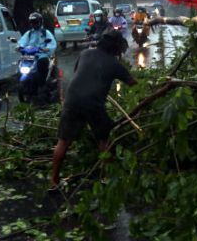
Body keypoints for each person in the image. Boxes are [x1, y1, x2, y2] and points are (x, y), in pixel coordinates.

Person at [50, 29, 136, 190]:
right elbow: (133, 84)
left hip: (72, 100)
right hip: (93, 104)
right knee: (104, 138)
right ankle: (107, 177)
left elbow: (79, 73)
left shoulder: (85, 53)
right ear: (116, 47)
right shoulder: (115, 64)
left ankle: (54, 181)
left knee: (63, 141)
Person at [17, 12, 58, 96]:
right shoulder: (29, 33)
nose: (33, 24)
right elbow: (22, 42)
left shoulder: (45, 33)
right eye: (32, 22)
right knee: (21, 63)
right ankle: (28, 83)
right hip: (30, 55)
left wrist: (46, 48)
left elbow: (52, 44)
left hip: (42, 55)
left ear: (40, 22)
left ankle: (42, 84)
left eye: (35, 22)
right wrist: (19, 47)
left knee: (42, 62)